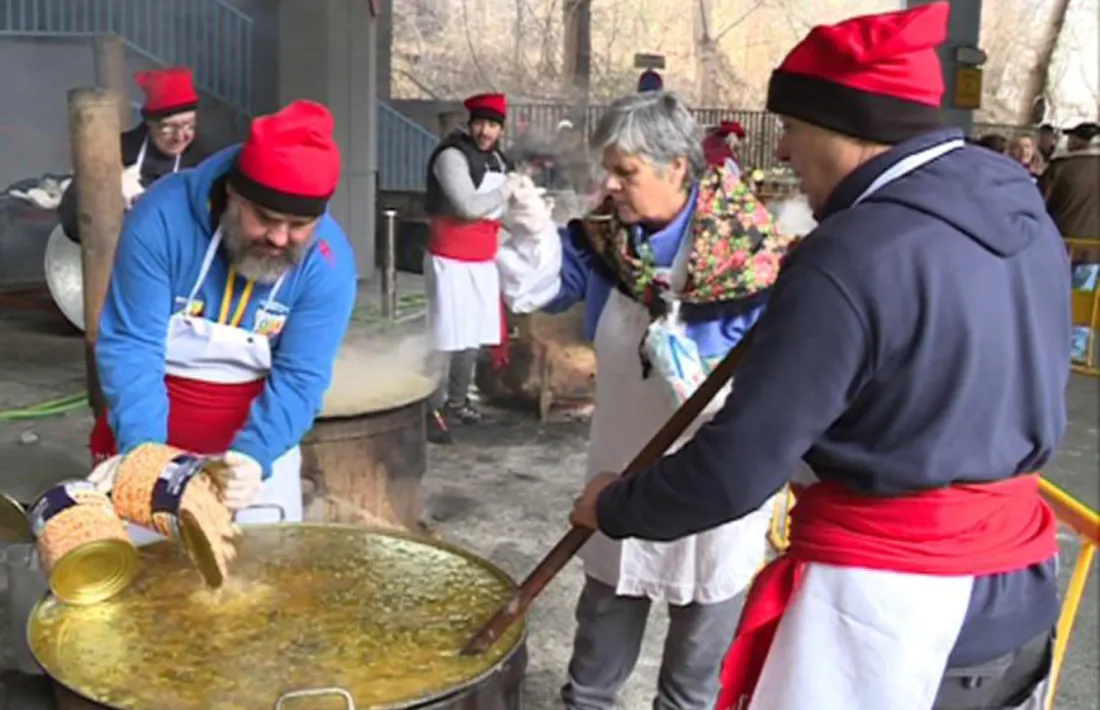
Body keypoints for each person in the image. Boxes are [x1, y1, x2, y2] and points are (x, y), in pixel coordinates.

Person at [570, 4, 1066, 709]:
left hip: (897, 609)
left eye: (794, 130)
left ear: (846, 130)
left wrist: (613, 505)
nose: (782, 153)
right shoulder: (1016, 206)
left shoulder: (854, 253)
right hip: (1018, 593)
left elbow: (739, 467)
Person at [497, 90, 790, 710]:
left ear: (676, 168)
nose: (611, 186)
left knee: (691, 684)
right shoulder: (608, 240)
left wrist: (698, 374)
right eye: (608, 169)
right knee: (594, 672)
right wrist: (531, 241)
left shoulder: (751, 258)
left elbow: (777, 385)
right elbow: (548, 291)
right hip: (619, 475)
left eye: (625, 172)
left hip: (713, 490)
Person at [86, 100, 357, 536]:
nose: (280, 238)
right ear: (234, 192)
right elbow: (133, 345)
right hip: (151, 432)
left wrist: (255, 453)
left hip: (251, 456)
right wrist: (146, 456)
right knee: (145, 578)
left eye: (299, 225)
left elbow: (301, 377)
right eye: (266, 218)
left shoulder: (328, 265)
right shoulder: (162, 220)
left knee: (258, 579)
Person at [422, 92, 522, 443]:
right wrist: (507, 190)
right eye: (480, 123)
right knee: (446, 336)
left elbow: (502, 211)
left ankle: (458, 401)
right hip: (450, 257)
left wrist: (531, 220)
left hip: (481, 258)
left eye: (493, 125)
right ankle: (429, 409)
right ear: (470, 122)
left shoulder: (497, 159)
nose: (485, 131)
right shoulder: (451, 157)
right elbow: (467, 205)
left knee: (472, 336)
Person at [58, 66, 211, 242]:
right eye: (168, 128)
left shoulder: (204, 164)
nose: (180, 137)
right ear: (149, 123)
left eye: (189, 126)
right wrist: (108, 201)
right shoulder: (116, 151)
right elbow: (72, 218)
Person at [1039, 121, 1100, 243]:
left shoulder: (1061, 167)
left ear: (1079, 141)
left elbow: (1039, 203)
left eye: (1072, 137)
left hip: (1065, 243)